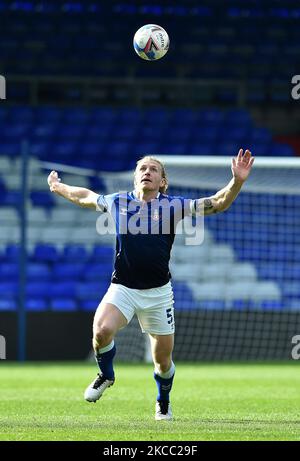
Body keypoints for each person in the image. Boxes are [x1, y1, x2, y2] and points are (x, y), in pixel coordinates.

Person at [47, 149, 254, 421]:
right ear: (135, 177)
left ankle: (163, 401)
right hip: (123, 288)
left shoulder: (174, 206)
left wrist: (237, 181)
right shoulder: (118, 201)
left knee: (162, 362)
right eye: (143, 168)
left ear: (162, 181)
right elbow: (85, 196)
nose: (147, 172)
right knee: (101, 331)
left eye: (154, 169)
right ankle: (106, 375)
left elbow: (217, 203)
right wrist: (58, 186)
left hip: (158, 295)